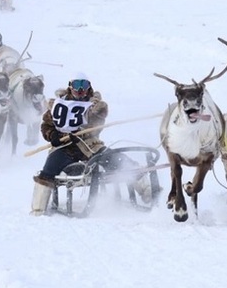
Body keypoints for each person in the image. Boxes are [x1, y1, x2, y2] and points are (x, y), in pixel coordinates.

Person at [30, 72, 152, 216]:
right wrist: (54, 136)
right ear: (70, 86)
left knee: (118, 160)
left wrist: (85, 129)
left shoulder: (94, 106)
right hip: (64, 147)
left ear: (89, 87)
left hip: (89, 145)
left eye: (84, 85)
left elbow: (97, 125)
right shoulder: (57, 105)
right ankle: (38, 208)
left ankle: (148, 192)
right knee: (48, 170)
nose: (80, 89)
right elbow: (46, 126)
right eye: (76, 85)